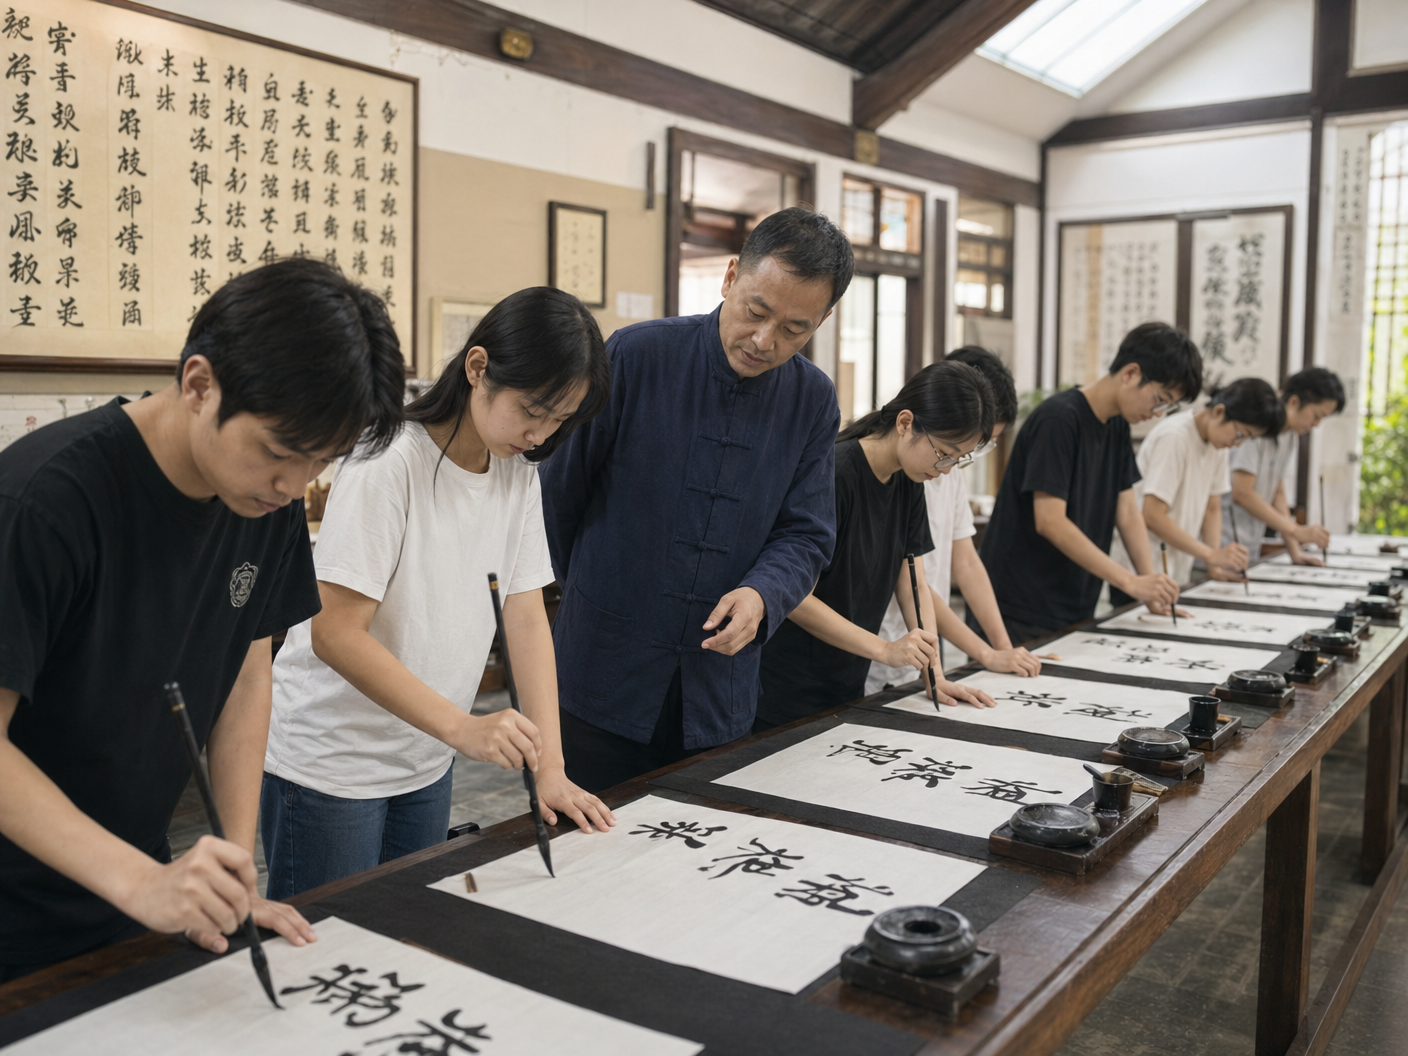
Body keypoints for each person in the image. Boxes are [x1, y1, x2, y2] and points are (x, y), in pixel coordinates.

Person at [0, 259, 406, 980]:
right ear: (198, 384)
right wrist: (138, 883)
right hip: (20, 910)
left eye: (319, 462)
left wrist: (232, 869)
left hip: (139, 889)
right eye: (279, 452)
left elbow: (246, 683)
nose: (293, 485)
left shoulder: (262, 500)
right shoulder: (47, 500)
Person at [262, 288, 616, 900]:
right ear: (478, 368)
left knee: (409, 932)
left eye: (561, 420)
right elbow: (333, 632)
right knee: (332, 953)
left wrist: (551, 768)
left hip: (426, 758)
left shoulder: (517, 473)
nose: (540, 433)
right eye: (533, 409)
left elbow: (527, 618)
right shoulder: (389, 459)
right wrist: (462, 728)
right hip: (334, 763)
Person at [539, 207, 851, 795]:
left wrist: (763, 595)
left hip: (718, 692)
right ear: (731, 276)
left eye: (794, 329)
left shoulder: (812, 399)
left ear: (823, 320)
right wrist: (582, 596)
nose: (765, 341)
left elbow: (807, 534)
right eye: (756, 312)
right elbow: (557, 499)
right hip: (600, 675)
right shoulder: (635, 356)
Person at [755, 362, 998, 729]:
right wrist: (885, 650)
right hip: (787, 688)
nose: (946, 469)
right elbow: (793, 596)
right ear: (905, 424)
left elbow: (912, 581)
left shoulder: (908, 481)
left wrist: (934, 674)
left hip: (845, 684)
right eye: (944, 453)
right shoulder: (836, 474)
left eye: (957, 459)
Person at [976, 322, 1203, 645]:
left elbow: (1127, 513)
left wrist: (1150, 585)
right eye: (1159, 399)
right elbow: (1050, 521)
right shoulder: (1059, 419)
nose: (1157, 413)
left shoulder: (1116, 426)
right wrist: (1130, 582)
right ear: (1130, 374)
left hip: (1073, 603)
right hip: (1018, 607)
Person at [866, 347, 1041, 694]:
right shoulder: (915, 467)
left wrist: (1002, 649)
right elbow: (914, 581)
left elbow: (966, 562)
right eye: (974, 443)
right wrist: (984, 653)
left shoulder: (946, 467)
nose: (967, 457)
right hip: (884, 648)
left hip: (925, 646)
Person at [1109, 378, 1284, 603]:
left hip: (1174, 571)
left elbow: (1213, 509)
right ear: (1220, 412)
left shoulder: (1218, 443)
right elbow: (1152, 515)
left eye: (1247, 440)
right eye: (1241, 434)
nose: (1237, 444)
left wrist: (1214, 563)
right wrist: (1211, 554)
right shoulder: (1175, 437)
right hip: (1140, 571)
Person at [1222, 367, 1345, 566]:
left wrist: (1294, 551)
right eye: (1316, 416)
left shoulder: (1290, 436)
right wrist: (1296, 530)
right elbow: (1242, 493)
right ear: (1294, 401)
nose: (1316, 425)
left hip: (1246, 550)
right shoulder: (1257, 426)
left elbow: (1277, 492)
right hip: (1220, 545)